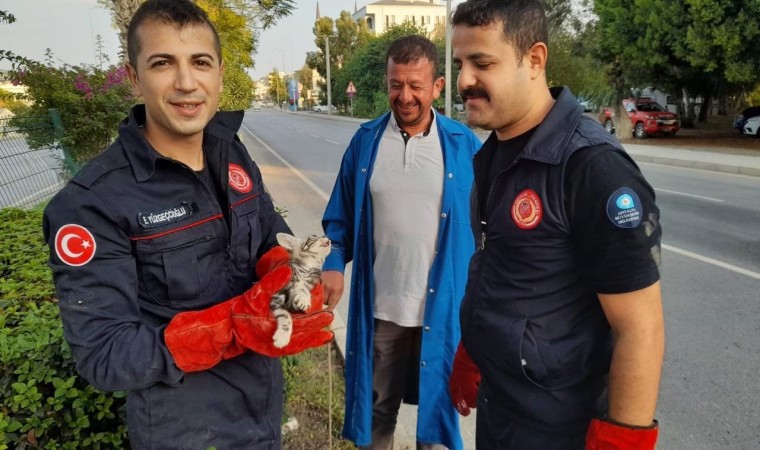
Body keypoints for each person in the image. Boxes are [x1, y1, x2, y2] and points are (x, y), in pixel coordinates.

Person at [41, 1, 333, 448]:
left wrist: (290, 270)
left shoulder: (230, 149)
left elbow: (268, 227)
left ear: (218, 73)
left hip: (261, 407)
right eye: (162, 63)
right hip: (185, 430)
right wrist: (232, 325)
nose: (185, 82)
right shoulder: (91, 203)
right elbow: (104, 354)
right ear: (135, 77)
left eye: (200, 62)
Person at [447, 1, 665, 449]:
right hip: (501, 409)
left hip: (560, 429)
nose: (464, 80)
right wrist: (474, 348)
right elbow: (500, 265)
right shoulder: (495, 152)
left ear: (535, 60)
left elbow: (640, 328)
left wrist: (620, 441)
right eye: (460, 63)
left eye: (481, 63)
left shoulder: (593, 168)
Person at [321, 35, 482, 450]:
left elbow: (491, 232)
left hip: (444, 309)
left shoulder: (465, 147)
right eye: (396, 84)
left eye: (416, 85)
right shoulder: (365, 142)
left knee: (439, 417)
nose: (405, 96)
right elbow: (339, 220)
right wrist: (334, 263)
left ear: (437, 87)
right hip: (383, 309)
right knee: (377, 411)